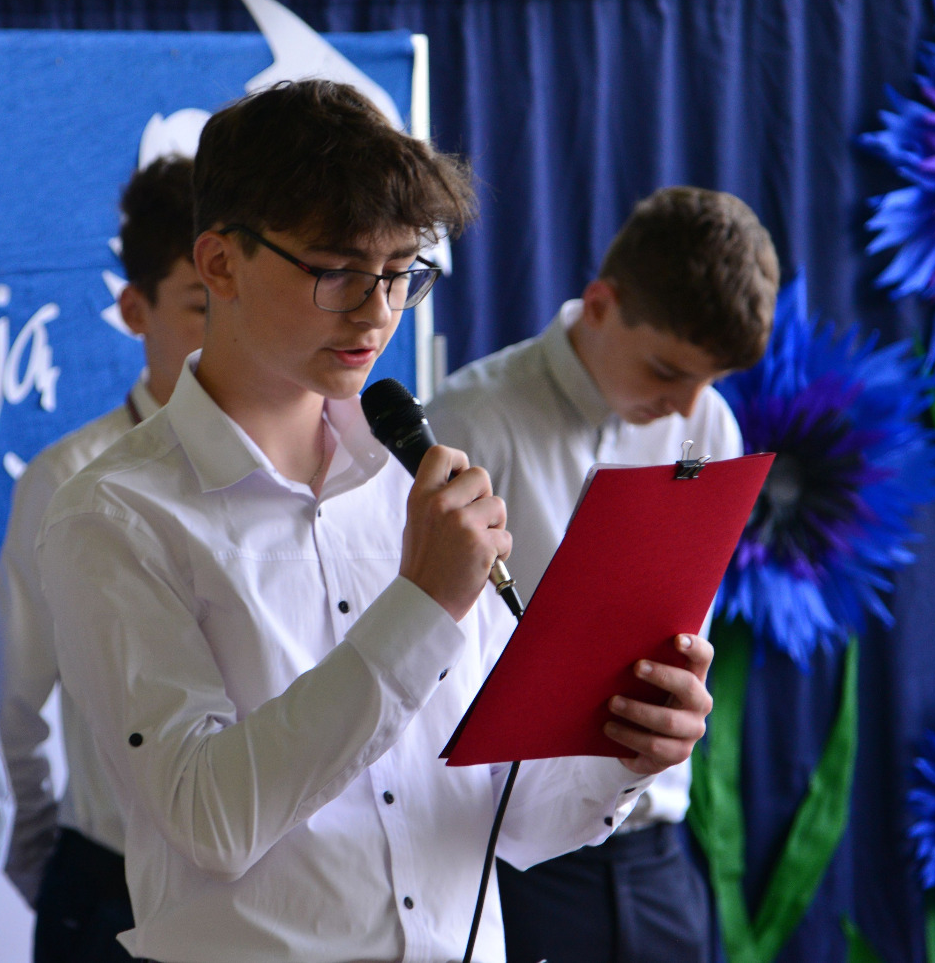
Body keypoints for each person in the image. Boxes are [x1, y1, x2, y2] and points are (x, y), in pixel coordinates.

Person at [37, 80, 717, 963]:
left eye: (402, 272)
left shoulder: (414, 478)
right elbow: (209, 820)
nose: (378, 311)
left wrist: (627, 752)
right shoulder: (115, 514)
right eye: (338, 272)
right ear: (221, 263)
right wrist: (422, 607)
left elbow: (513, 821)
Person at [427, 185, 779, 963]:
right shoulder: (470, 422)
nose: (685, 405)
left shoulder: (709, 423)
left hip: (657, 847)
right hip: (516, 858)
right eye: (666, 369)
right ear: (599, 305)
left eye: (708, 381)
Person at [0, 155, 205, 962]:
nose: (230, 330)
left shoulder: (315, 468)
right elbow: (10, 714)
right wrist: (55, 876)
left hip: (278, 886)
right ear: (134, 310)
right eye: (201, 306)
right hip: (112, 884)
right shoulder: (70, 481)